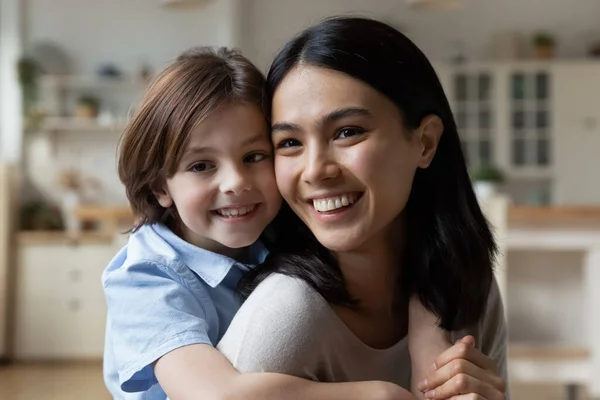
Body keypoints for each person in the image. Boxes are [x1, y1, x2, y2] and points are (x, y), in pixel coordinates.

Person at [103, 46, 449, 400]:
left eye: (254, 156)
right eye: (201, 166)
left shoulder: (275, 229)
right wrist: (377, 395)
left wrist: (428, 337)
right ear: (161, 186)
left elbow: (411, 248)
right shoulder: (145, 279)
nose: (235, 182)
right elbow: (216, 395)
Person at [217, 17, 510, 400]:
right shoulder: (287, 314)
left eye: (347, 132)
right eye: (289, 142)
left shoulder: (467, 286)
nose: (316, 170)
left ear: (424, 143)